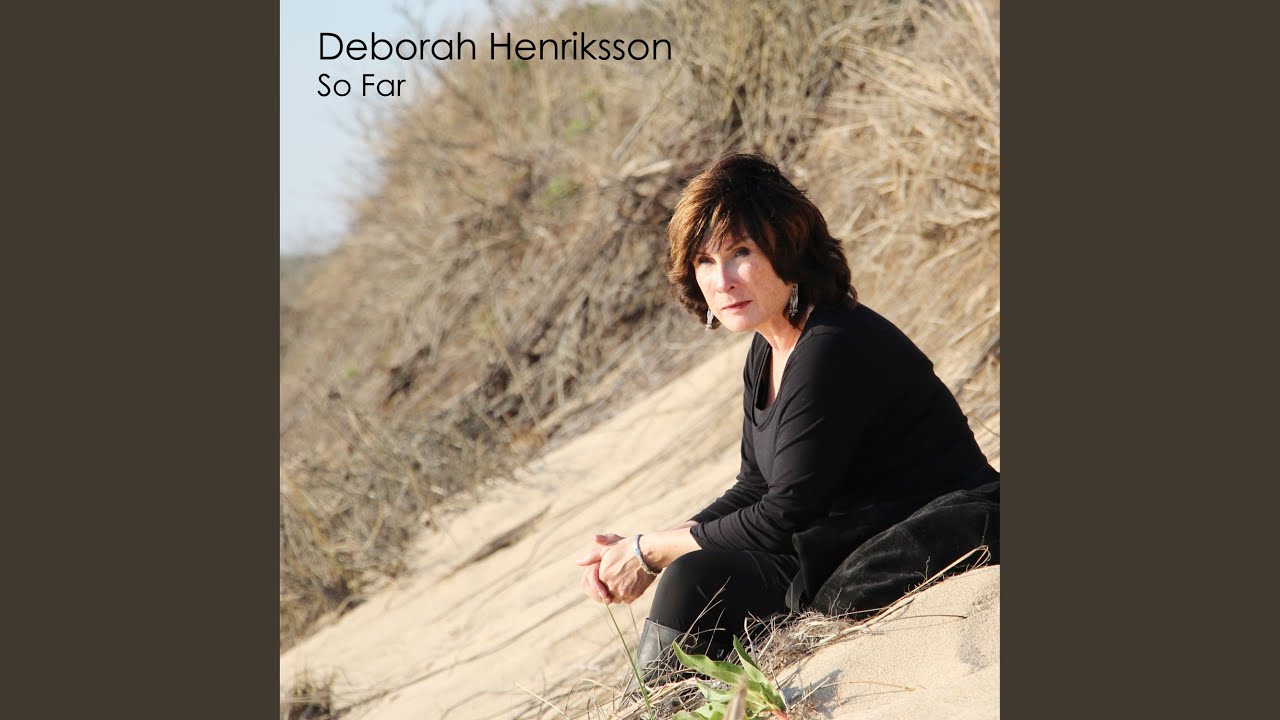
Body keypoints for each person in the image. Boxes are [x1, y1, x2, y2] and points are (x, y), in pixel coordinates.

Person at [575, 153, 999, 681]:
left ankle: (664, 706)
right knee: (698, 575)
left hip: (926, 532)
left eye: (740, 253)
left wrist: (652, 553)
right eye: (705, 261)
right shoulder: (769, 348)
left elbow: (782, 518)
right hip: (842, 538)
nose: (722, 280)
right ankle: (670, 705)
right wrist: (644, 548)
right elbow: (754, 487)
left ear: (788, 249)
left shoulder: (831, 346)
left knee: (695, 577)